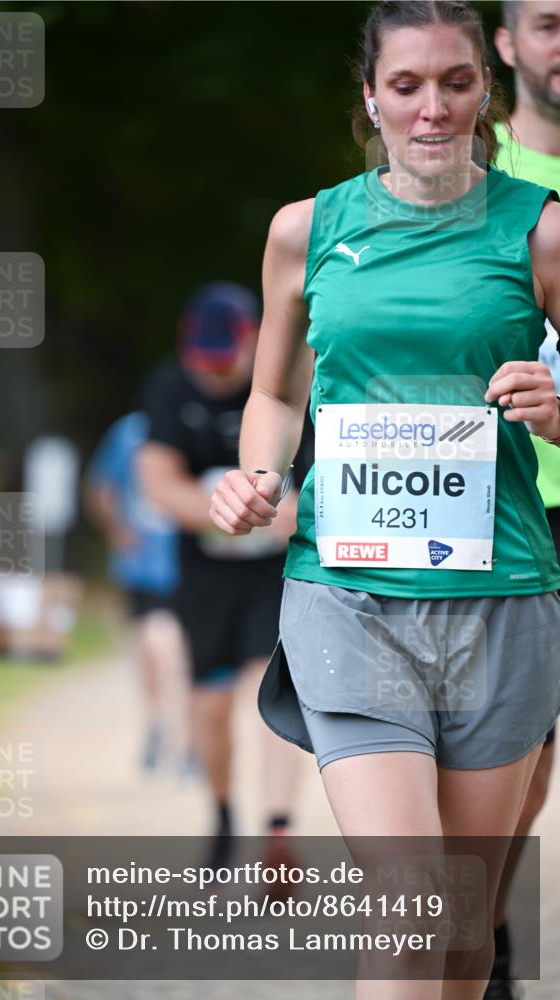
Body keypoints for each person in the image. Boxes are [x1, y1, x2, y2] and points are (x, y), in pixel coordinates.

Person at [209, 2, 560, 997]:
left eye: (454, 83)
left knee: (458, 935)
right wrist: (258, 468)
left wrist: (557, 407)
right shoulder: (305, 231)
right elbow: (275, 392)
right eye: (406, 85)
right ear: (370, 95)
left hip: (502, 598)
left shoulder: (539, 234)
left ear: (482, 90)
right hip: (346, 597)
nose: (433, 107)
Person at [139, 282, 307, 867]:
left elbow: (312, 491)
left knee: (273, 691)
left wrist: (271, 521)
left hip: (275, 575)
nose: (212, 372)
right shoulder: (169, 386)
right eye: (201, 361)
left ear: (253, 341)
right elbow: (157, 481)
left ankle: (278, 828)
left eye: (223, 359)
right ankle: (222, 813)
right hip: (206, 576)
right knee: (209, 704)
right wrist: (225, 515)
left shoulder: (292, 380)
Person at [486, 4, 560, 996]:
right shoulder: (453, 161)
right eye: (548, 22)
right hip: (500, 510)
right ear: (503, 43)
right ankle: (486, 943)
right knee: (514, 759)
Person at [85, 411, 186, 770]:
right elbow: (100, 488)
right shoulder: (130, 430)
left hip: (184, 562)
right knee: (161, 644)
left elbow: (99, 489)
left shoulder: (180, 421)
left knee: (158, 644)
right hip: (145, 562)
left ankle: (166, 725)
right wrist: (118, 533)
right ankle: (167, 726)